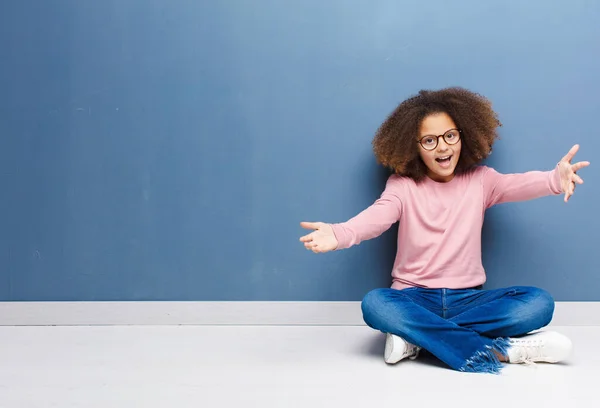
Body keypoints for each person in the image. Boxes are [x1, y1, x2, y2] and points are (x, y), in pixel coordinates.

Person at [299, 87, 590, 374]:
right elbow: (376, 218)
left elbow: (519, 184)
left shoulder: (481, 181)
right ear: (414, 146)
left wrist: (555, 179)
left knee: (538, 304)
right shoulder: (402, 186)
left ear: (463, 134)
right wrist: (338, 234)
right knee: (376, 304)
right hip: (413, 299)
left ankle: (417, 341)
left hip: (469, 301)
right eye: (429, 140)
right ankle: (504, 351)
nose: (443, 146)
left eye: (450, 136)